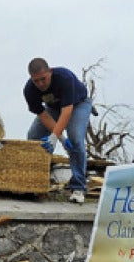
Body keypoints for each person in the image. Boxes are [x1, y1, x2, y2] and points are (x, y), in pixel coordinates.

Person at [23, 57, 92, 204]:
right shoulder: (29, 90)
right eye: (36, 81)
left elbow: (67, 112)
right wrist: (61, 139)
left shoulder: (64, 77)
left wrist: (55, 136)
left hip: (78, 105)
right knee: (33, 136)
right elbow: (43, 115)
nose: (40, 84)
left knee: (75, 138)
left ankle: (78, 187)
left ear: (50, 72)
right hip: (53, 109)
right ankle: (38, 183)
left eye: (43, 79)